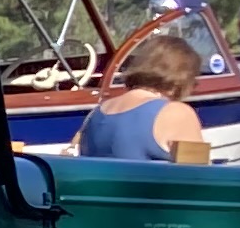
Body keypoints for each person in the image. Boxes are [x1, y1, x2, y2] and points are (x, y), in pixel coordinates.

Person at [78, 32, 209, 163]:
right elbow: (198, 171)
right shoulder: (176, 113)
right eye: (193, 81)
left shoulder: (95, 114)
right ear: (180, 80)